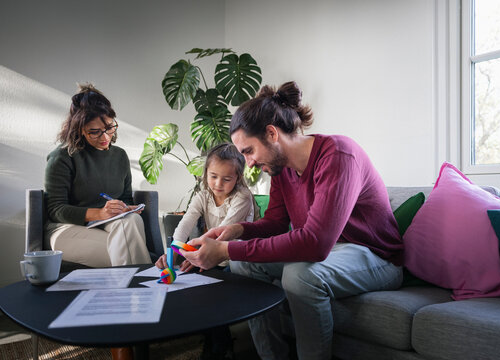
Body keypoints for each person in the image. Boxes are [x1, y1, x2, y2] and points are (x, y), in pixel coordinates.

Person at [176, 81, 404, 360]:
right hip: (332, 253)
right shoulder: (280, 169)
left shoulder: (338, 155)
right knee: (242, 263)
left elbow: (315, 243)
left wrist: (225, 250)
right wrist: (234, 231)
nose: (248, 163)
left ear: (271, 133)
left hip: (376, 257)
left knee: (299, 277)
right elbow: (274, 223)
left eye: (248, 151)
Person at [155, 142, 256, 360]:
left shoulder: (243, 197)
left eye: (226, 179)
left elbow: (222, 234)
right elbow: (185, 224)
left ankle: (220, 346)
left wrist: (194, 252)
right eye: (213, 176)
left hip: (235, 258)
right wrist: (172, 250)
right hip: (211, 254)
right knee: (186, 285)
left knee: (212, 294)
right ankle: (209, 338)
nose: (218, 184)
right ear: (206, 174)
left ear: (237, 178)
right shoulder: (203, 195)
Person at [44, 83, 151, 268]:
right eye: (94, 132)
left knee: (131, 220)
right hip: (67, 229)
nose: (105, 137)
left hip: (110, 226)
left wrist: (124, 208)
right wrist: (100, 213)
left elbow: (125, 197)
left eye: (110, 128)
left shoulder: (119, 156)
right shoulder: (62, 157)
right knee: (125, 248)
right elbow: (56, 209)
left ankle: (130, 291)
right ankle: (145, 286)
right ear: (79, 129)